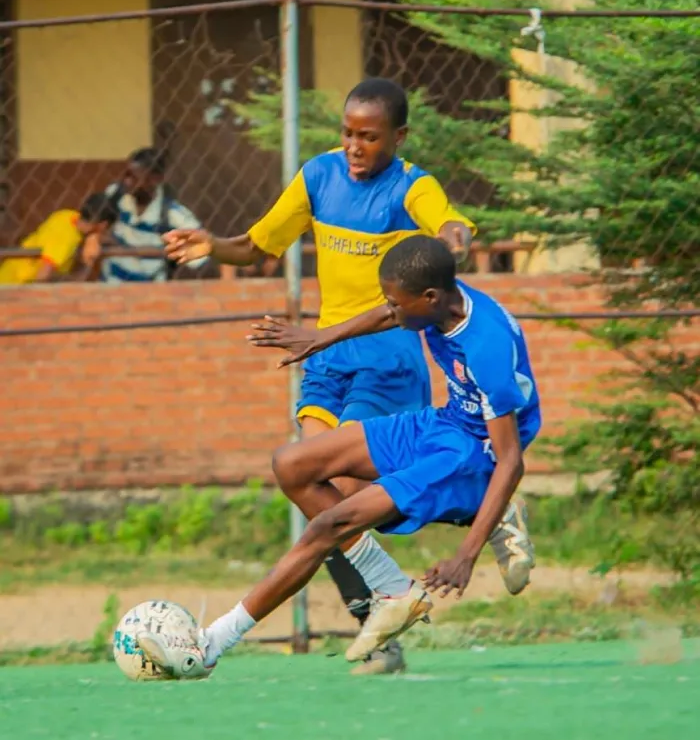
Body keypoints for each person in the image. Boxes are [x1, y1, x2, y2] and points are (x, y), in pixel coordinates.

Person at [163, 77, 534, 675]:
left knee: (350, 504)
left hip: (389, 352)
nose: (356, 146)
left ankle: (458, 534)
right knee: (312, 486)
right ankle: (387, 608)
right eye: (348, 133)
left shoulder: (413, 185)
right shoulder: (317, 176)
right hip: (328, 351)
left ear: (398, 137)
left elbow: (447, 225)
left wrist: (454, 236)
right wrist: (211, 243)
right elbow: (258, 245)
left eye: (370, 136)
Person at [138, 235, 541, 678]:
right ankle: (393, 589)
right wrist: (319, 339)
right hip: (444, 424)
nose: (391, 309)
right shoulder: (439, 302)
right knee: (292, 465)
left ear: (429, 297)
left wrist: (467, 554)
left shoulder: (487, 346)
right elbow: (391, 314)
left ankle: (211, 644)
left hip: (472, 454)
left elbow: (510, 459)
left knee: (331, 524)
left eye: (396, 303)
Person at [101, 147, 206, 283]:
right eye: (126, 174)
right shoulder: (116, 195)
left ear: (155, 179)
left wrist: (167, 252)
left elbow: (202, 251)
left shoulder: (173, 215)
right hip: (110, 286)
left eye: (134, 177)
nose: (127, 181)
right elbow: (95, 223)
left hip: (149, 292)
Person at [0, 192, 118, 285]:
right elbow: (42, 276)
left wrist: (93, 237)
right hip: (17, 285)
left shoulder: (68, 215)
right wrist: (88, 265)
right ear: (103, 225)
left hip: (8, 275)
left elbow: (92, 231)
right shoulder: (65, 239)